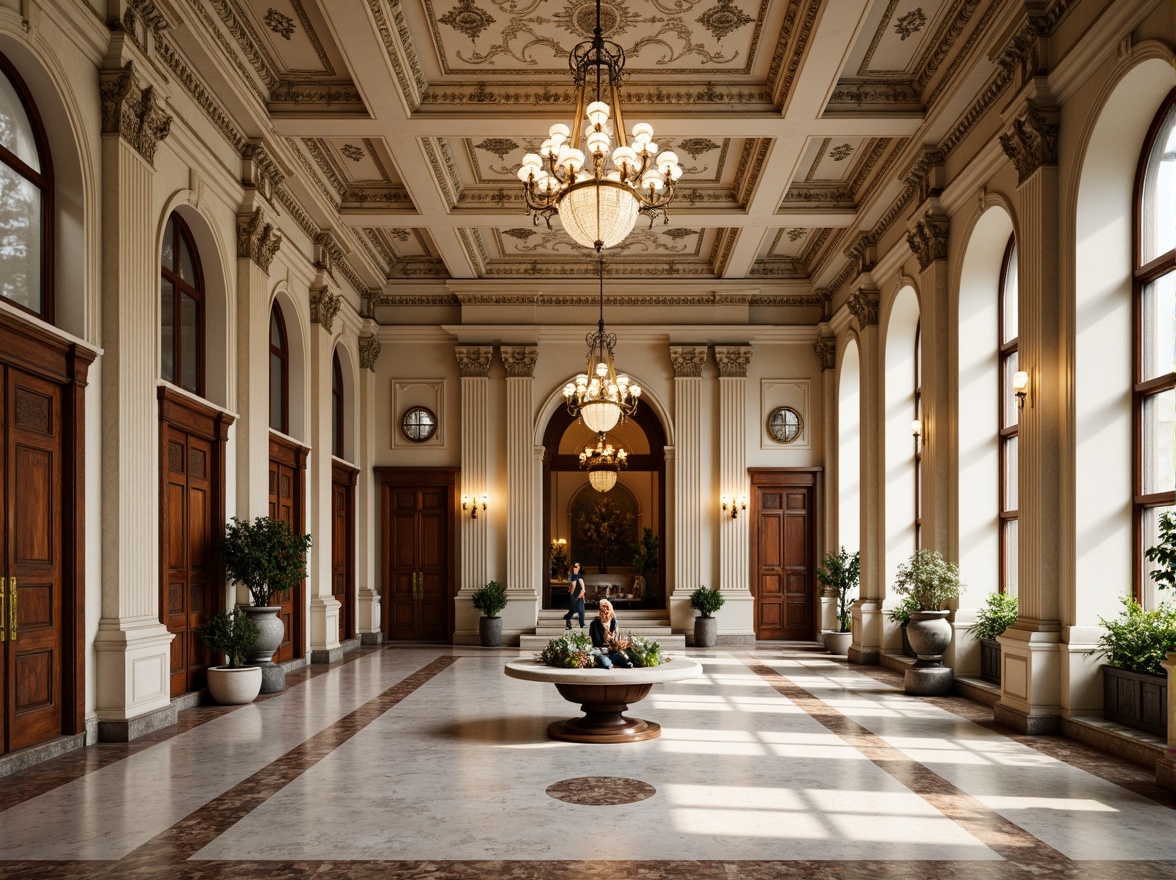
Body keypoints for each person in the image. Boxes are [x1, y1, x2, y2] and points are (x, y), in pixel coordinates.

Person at [589, 599, 633, 669]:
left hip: (612, 651)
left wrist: (615, 646)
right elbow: (595, 643)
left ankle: (620, 662)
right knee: (601, 657)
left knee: (622, 656)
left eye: (607, 610)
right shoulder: (594, 624)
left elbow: (616, 638)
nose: (605, 612)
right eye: (602, 610)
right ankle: (609, 663)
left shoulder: (614, 622)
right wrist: (604, 648)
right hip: (601, 650)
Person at [563, 562, 586, 630]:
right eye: (574, 567)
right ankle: (568, 618)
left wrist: (583, 592)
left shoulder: (580, 576)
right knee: (574, 609)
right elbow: (572, 584)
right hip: (574, 594)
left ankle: (582, 624)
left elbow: (582, 585)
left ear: (579, 568)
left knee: (581, 610)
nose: (575, 568)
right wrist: (571, 593)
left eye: (577, 567)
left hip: (579, 593)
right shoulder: (571, 575)